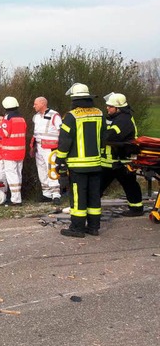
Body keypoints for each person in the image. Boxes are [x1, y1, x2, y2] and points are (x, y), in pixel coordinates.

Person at [57, 83, 105, 237]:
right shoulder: (99, 113)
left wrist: (60, 160)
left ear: (74, 99)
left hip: (78, 166)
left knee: (78, 197)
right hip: (96, 164)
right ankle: (93, 227)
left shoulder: (71, 116)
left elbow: (65, 141)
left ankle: (77, 228)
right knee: (94, 196)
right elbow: (104, 137)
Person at [100, 92, 144, 217]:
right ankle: (136, 208)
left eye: (110, 106)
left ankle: (136, 209)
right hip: (113, 160)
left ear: (118, 108)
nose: (107, 108)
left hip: (120, 161)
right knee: (128, 184)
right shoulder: (118, 118)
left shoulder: (123, 120)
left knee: (128, 184)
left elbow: (109, 137)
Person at [30, 96, 62, 205]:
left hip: (50, 148)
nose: (34, 106)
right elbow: (36, 133)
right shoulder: (36, 117)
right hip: (39, 147)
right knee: (42, 171)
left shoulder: (54, 115)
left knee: (51, 170)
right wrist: (33, 147)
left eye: (36, 104)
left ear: (43, 104)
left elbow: (61, 132)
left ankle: (56, 195)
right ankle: (46, 194)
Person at [0, 97, 27, 205]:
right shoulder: (21, 118)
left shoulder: (7, 119)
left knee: (12, 175)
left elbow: (5, 134)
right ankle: (17, 197)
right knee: (18, 174)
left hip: (9, 152)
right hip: (20, 151)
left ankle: (16, 199)